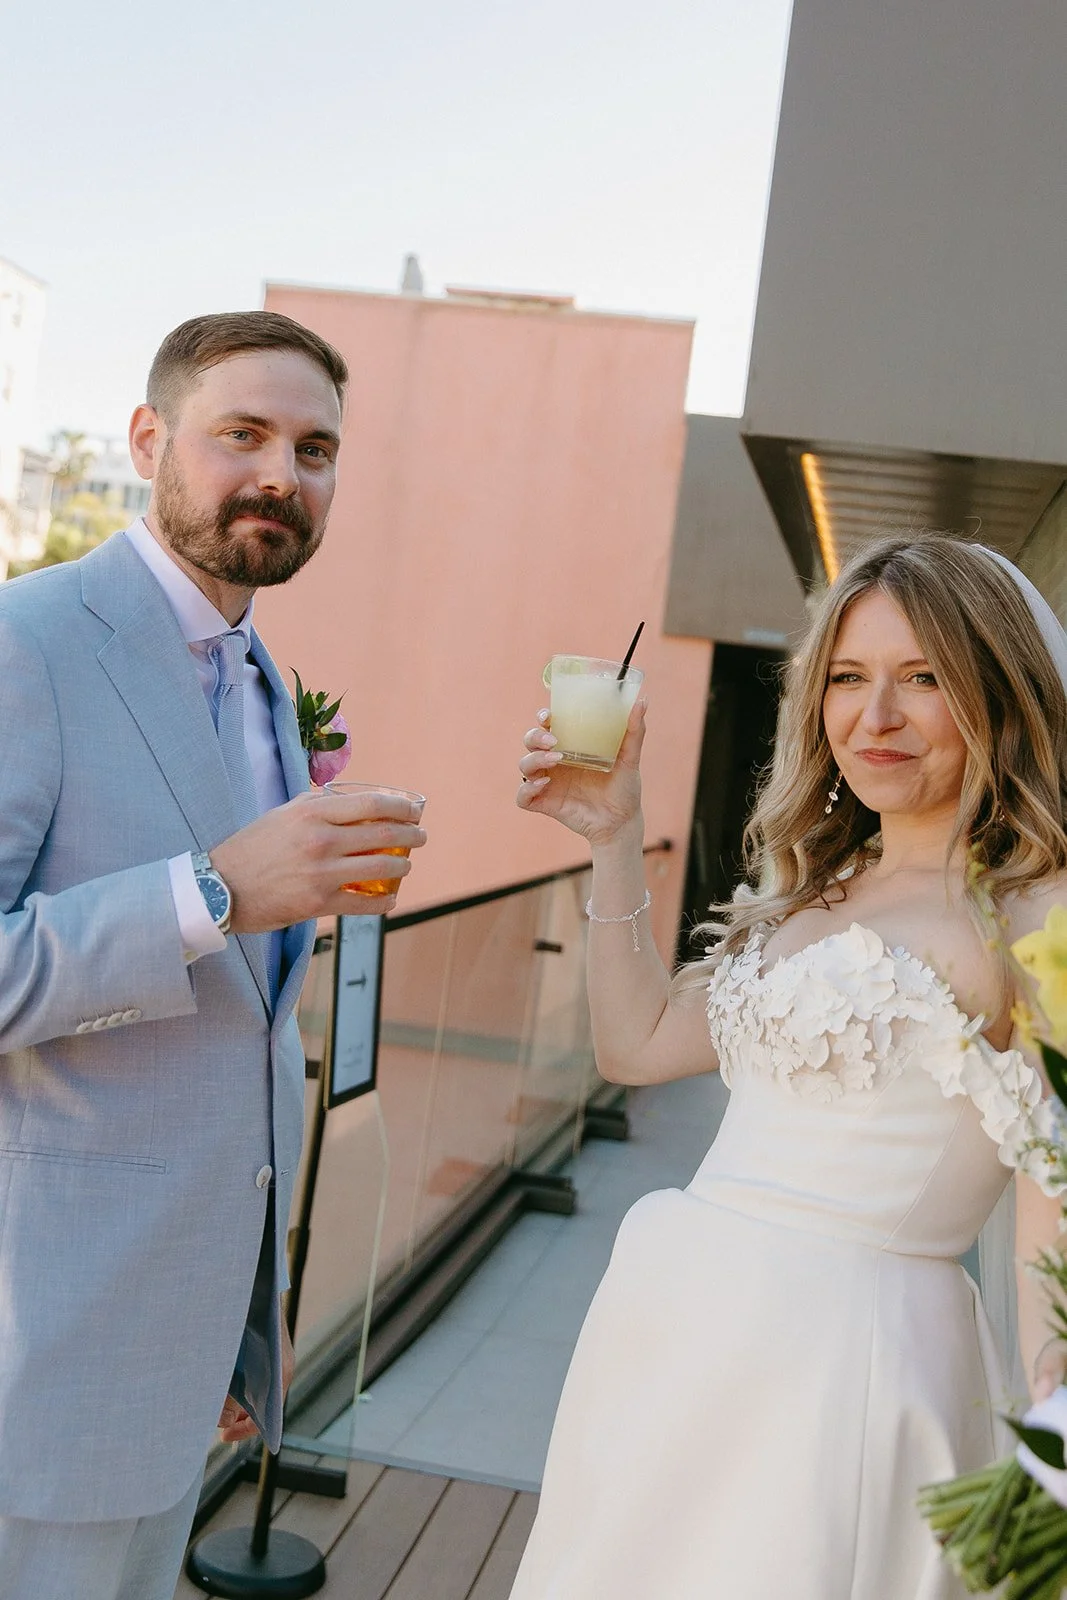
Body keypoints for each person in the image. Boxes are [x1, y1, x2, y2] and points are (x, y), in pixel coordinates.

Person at [509, 533, 1067, 1599]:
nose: (875, 717)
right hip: (674, 1336)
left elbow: (1053, 1182)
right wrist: (612, 833)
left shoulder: (1030, 912)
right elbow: (633, 1045)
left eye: (923, 681)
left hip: (843, 1367)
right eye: (847, 679)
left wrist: (1051, 1398)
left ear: (1000, 695)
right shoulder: (817, 885)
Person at [0, 311, 426, 1600]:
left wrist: (241, 1330)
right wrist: (212, 893)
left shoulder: (262, 682)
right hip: (38, 1353)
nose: (280, 475)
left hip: (174, 1354)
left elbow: (240, 1026)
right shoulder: (29, 642)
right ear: (148, 440)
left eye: (315, 448)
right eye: (241, 433)